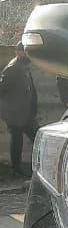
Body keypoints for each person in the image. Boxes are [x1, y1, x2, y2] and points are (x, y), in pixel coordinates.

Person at [0, 41, 39, 177]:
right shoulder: (12, 68)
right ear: (18, 52)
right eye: (25, 52)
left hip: (26, 113)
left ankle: (36, 168)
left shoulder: (24, 67)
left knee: (38, 137)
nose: (28, 55)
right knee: (17, 141)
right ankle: (16, 169)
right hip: (15, 114)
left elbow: (30, 89)